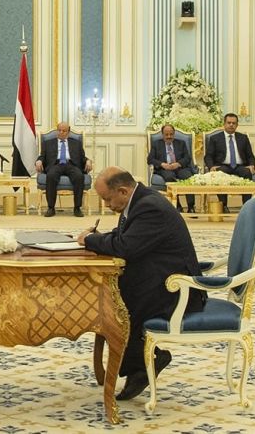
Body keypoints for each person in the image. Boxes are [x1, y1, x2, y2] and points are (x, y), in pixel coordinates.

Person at [77, 167, 205, 401]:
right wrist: (97, 239)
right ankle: (143, 362)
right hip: (159, 276)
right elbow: (123, 237)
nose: (106, 205)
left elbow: (125, 247)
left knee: (117, 304)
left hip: (177, 290)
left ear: (123, 191)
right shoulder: (139, 202)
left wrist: (90, 240)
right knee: (111, 293)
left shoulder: (149, 207)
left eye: (107, 199)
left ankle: (145, 363)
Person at [36, 121, 92, 218]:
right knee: (51, 176)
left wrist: (88, 161)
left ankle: (77, 208)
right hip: (55, 164)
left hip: (71, 164)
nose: (61, 132)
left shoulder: (76, 143)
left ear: (68, 132)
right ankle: (51, 208)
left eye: (64, 131)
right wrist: (39, 161)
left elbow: (82, 158)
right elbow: (42, 156)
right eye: (59, 130)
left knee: (79, 176)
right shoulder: (48, 143)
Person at [204, 113, 255, 209]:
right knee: (220, 173)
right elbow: (208, 156)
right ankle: (223, 205)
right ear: (224, 124)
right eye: (229, 123)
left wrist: (252, 165)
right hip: (222, 166)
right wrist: (211, 167)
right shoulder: (215, 138)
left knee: (247, 172)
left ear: (237, 125)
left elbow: (250, 156)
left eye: (234, 123)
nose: (231, 125)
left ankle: (246, 206)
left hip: (240, 166)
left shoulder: (243, 138)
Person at [147, 123, 195, 213]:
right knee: (169, 177)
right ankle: (177, 205)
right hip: (165, 169)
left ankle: (191, 206)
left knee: (188, 177)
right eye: (166, 134)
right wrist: (162, 164)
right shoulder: (156, 144)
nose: (169, 136)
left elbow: (187, 158)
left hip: (180, 168)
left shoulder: (181, 143)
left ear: (174, 133)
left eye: (171, 134)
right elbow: (150, 159)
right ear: (162, 134)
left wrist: (178, 164)